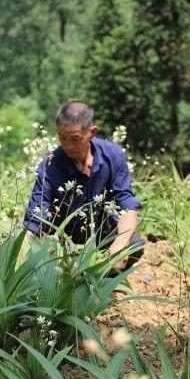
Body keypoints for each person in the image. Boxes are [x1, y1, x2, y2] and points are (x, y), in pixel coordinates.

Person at [23, 101, 144, 271]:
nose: (68, 146)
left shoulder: (113, 154)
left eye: (75, 138)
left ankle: (103, 286)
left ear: (92, 132)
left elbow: (128, 205)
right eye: (62, 137)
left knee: (134, 244)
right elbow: (35, 220)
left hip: (101, 235)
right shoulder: (50, 165)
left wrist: (120, 245)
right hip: (61, 244)